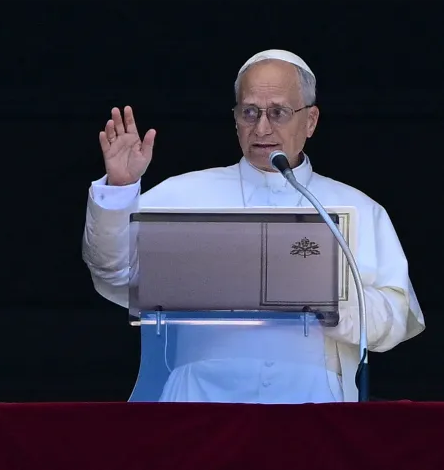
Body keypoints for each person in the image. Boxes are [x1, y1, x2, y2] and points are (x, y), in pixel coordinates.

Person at [81, 49, 425, 403]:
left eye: (278, 112)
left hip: (312, 401)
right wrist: (120, 190)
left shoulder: (359, 208)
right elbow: (114, 276)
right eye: (249, 112)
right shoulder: (181, 194)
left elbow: (396, 317)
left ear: (310, 121)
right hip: (199, 400)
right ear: (235, 120)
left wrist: (331, 303)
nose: (262, 128)